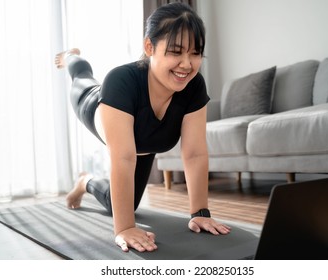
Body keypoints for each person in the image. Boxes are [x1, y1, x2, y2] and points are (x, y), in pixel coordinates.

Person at [54, 2, 231, 253]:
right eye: (176, 51)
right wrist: (124, 228)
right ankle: (72, 56)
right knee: (82, 75)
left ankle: (86, 181)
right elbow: (123, 158)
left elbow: (194, 153)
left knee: (123, 205)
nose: (186, 64)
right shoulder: (121, 80)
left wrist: (200, 212)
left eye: (195, 53)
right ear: (149, 47)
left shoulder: (193, 86)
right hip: (93, 102)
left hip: (143, 145)